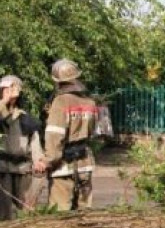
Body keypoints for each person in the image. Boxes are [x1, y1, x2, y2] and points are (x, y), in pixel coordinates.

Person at [43, 59, 98, 211]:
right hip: (85, 164)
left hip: (63, 167)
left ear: (57, 81)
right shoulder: (90, 102)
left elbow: (55, 135)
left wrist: (47, 161)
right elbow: (92, 133)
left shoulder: (60, 101)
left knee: (60, 216)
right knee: (84, 215)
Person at [0, 75, 46, 219]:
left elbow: (34, 142)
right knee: (4, 213)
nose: (9, 92)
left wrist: (39, 160)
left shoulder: (24, 118)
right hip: (3, 169)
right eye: (5, 89)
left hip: (22, 168)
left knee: (25, 211)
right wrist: (3, 101)